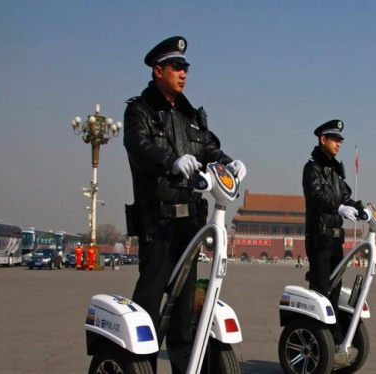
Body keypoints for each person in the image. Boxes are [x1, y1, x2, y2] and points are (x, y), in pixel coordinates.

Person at [123, 36, 246, 374]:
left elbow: (209, 148)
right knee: (148, 306)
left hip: (188, 229)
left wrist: (228, 162)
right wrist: (172, 161)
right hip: (158, 226)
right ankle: (141, 367)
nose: (183, 73)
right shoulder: (140, 111)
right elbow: (139, 147)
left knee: (184, 315)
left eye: (186, 68)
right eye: (176, 67)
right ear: (157, 70)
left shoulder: (190, 116)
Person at [302, 119, 360, 344]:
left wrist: (362, 208)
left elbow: (346, 198)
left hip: (336, 240)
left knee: (334, 290)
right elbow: (316, 196)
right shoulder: (312, 169)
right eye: (334, 139)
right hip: (319, 239)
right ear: (322, 139)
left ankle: (333, 336)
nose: (338, 144)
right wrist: (338, 207)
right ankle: (318, 338)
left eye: (340, 140)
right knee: (321, 289)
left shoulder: (335, 172)